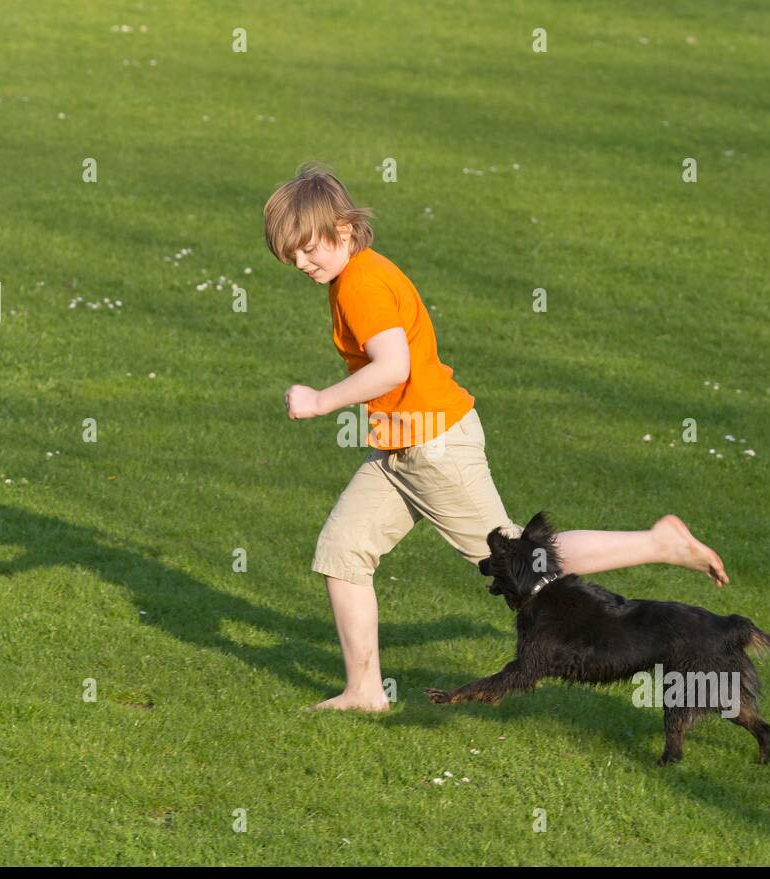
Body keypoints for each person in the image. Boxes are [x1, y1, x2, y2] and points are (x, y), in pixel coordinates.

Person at [263, 161, 728, 712]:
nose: (300, 262)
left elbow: (391, 367)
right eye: (290, 254)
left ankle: (660, 544)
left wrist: (319, 401)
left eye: (309, 248)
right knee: (343, 551)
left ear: (343, 230)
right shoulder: (355, 276)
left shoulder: (362, 284)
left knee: (520, 555)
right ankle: (365, 692)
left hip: (434, 449)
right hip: (401, 449)